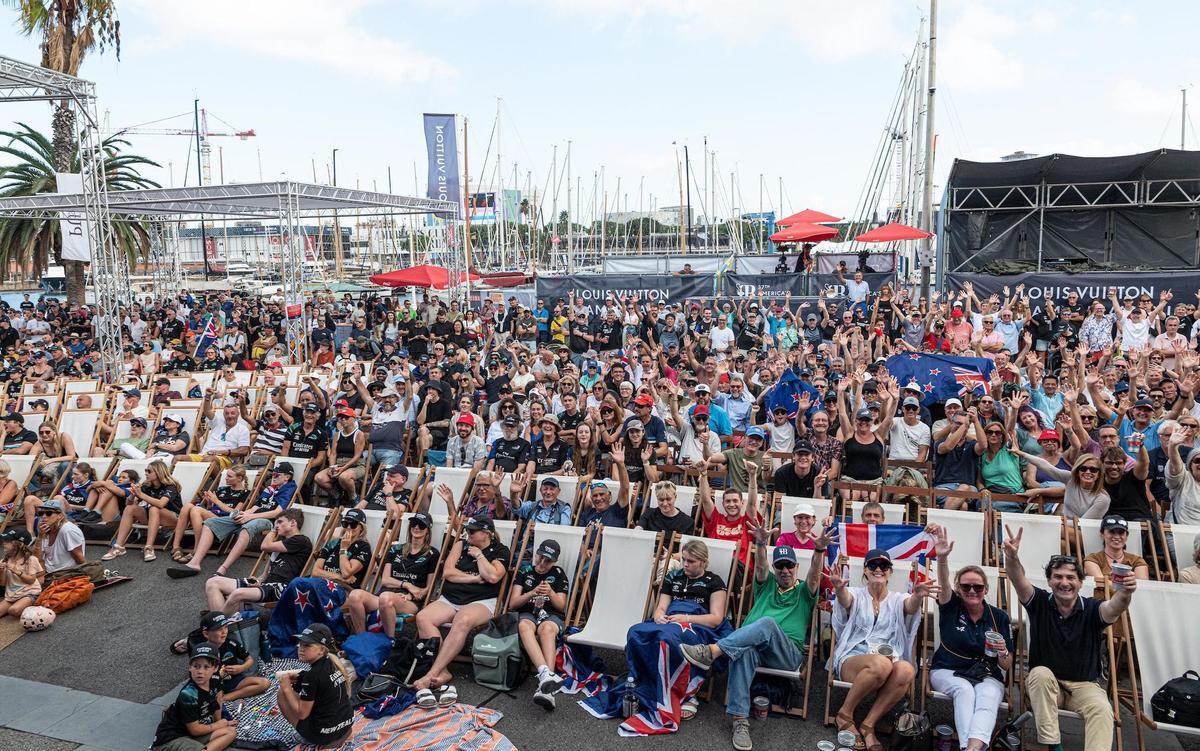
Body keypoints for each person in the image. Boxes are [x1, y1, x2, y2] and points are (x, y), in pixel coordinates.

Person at [681, 524, 830, 751]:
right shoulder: (766, 584)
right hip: (754, 647)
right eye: (780, 565)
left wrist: (818, 552)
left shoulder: (804, 591)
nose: (785, 570)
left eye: (789, 565)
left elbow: (813, 577)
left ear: (797, 567)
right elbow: (760, 565)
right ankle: (740, 720)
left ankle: (712, 651)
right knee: (745, 651)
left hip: (786, 653)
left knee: (767, 624)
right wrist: (760, 543)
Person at [1002, 525, 1135, 751]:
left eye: (1070, 577)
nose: (1064, 582)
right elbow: (1017, 578)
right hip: (1047, 687)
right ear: (1050, 581)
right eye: (1058, 577)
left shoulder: (1093, 609)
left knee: (1102, 708)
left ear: (1080, 583)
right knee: (1039, 673)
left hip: (1084, 686)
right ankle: (1054, 747)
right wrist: (1012, 558)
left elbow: (1114, 607)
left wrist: (1125, 592)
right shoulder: (1040, 603)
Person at [829, 548, 926, 751]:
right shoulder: (855, 593)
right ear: (865, 570)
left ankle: (868, 724)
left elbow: (910, 607)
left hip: (885, 664)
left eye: (884, 566)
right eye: (873, 565)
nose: (878, 569)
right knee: (882, 663)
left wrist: (917, 596)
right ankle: (845, 714)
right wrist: (838, 589)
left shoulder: (898, 599)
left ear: (890, 572)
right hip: (853, 659)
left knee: (907, 669)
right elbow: (845, 600)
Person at [928, 525, 1013, 751]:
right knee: (964, 691)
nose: (972, 591)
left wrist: (1003, 650)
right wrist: (942, 559)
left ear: (986, 589)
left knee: (988, 697)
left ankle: (971, 749)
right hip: (947, 669)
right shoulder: (951, 606)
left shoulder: (999, 617)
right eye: (966, 586)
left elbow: (1007, 664)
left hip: (987, 673)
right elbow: (943, 584)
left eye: (977, 587)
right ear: (958, 588)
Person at [412, 514, 510, 706]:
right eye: (467, 530)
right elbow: (448, 573)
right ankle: (444, 670)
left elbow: (493, 577)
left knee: (462, 621)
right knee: (423, 617)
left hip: (482, 601)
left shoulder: (500, 550)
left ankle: (431, 674)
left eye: (472, 531)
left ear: (487, 533)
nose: (468, 533)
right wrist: (474, 578)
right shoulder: (460, 545)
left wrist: (480, 556)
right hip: (451, 598)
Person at [171, 462, 298, 578]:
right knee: (210, 523)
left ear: (287, 477)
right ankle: (195, 563)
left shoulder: (289, 488)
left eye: (277, 474)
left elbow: (278, 512)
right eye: (272, 474)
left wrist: (249, 517)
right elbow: (255, 507)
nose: (273, 477)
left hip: (268, 520)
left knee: (245, 529)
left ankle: (223, 568)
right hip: (253, 515)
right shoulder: (270, 488)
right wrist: (243, 514)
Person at [346, 511, 439, 639]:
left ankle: (390, 641)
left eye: (421, 525)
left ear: (427, 531)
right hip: (385, 595)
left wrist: (412, 595)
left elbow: (429, 587)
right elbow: (385, 580)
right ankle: (361, 639)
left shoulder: (432, 554)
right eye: (414, 524)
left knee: (386, 598)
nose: (417, 527)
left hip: (409, 601)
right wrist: (406, 584)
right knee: (354, 595)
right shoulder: (395, 549)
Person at [204, 507, 313, 616]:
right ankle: (223, 623)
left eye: (280, 522)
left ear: (293, 523)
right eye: (276, 523)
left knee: (237, 594)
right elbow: (271, 564)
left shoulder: (302, 540)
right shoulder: (281, 542)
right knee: (213, 582)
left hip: (280, 587)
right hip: (266, 584)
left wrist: (273, 530)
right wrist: (261, 579)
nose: (277, 525)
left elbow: (265, 546)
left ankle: (216, 625)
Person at [509, 538, 570, 711]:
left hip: (551, 614)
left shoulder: (558, 574)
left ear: (555, 561)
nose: (542, 563)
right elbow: (513, 603)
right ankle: (546, 676)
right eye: (540, 557)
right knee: (524, 626)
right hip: (529, 612)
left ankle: (546, 686)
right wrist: (532, 593)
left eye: (548, 560)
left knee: (547, 629)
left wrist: (550, 592)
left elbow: (561, 605)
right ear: (536, 553)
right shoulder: (525, 570)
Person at [276, 624, 355, 748]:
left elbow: (302, 714)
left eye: (307, 645)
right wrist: (301, 677)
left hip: (324, 734)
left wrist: (286, 688)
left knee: (282, 694)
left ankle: (315, 738)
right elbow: (322, 682)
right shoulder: (332, 663)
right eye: (300, 644)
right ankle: (336, 736)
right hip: (347, 724)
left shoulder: (313, 675)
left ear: (322, 650)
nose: (301, 649)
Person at [151, 643, 237, 751]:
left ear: (215, 668)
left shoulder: (215, 680)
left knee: (230, 732)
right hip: (171, 738)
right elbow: (195, 730)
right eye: (196, 666)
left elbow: (218, 700)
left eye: (206, 667)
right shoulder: (188, 694)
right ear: (190, 667)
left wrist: (221, 723)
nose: (200, 671)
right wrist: (219, 725)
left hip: (190, 735)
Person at [103, 459, 183, 563]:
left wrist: (141, 494)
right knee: (130, 508)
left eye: (149, 471)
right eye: (146, 470)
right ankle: (118, 546)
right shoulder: (147, 486)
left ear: (159, 472)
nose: (146, 473)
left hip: (174, 519)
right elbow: (129, 504)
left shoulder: (170, 487)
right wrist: (133, 494)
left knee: (154, 508)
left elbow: (161, 504)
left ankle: (149, 547)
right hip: (153, 517)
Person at [197, 612, 270, 702]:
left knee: (264, 683)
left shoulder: (231, 643)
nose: (224, 632)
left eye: (226, 627)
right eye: (219, 629)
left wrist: (241, 668)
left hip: (234, 681)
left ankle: (226, 698)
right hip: (213, 686)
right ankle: (222, 697)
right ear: (206, 634)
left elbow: (250, 659)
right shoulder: (201, 651)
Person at [1082, 514, 1150, 582]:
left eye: (1121, 532)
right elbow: (1100, 585)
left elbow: (1142, 587)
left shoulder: (1137, 561)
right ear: (1102, 534)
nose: (1117, 536)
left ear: (1126, 536)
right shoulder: (1093, 559)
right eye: (1111, 532)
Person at [34, 499, 87, 580]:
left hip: (64, 573)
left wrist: (87, 574)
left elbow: (79, 557)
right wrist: (40, 536)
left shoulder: (68, 530)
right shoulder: (46, 529)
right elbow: (38, 559)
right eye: (41, 513)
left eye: (49, 513)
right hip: (48, 571)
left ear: (60, 515)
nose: (44, 516)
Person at [0, 528, 43, 619]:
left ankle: (34, 603)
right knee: (7, 610)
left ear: (18, 544)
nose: (3, 542)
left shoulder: (31, 559)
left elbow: (31, 580)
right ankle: (19, 604)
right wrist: (1, 571)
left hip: (30, 592)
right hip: (12, 596)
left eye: (7, 541)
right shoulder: (4, 561)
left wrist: (17, 571)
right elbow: (2, 583)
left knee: (13, 610)